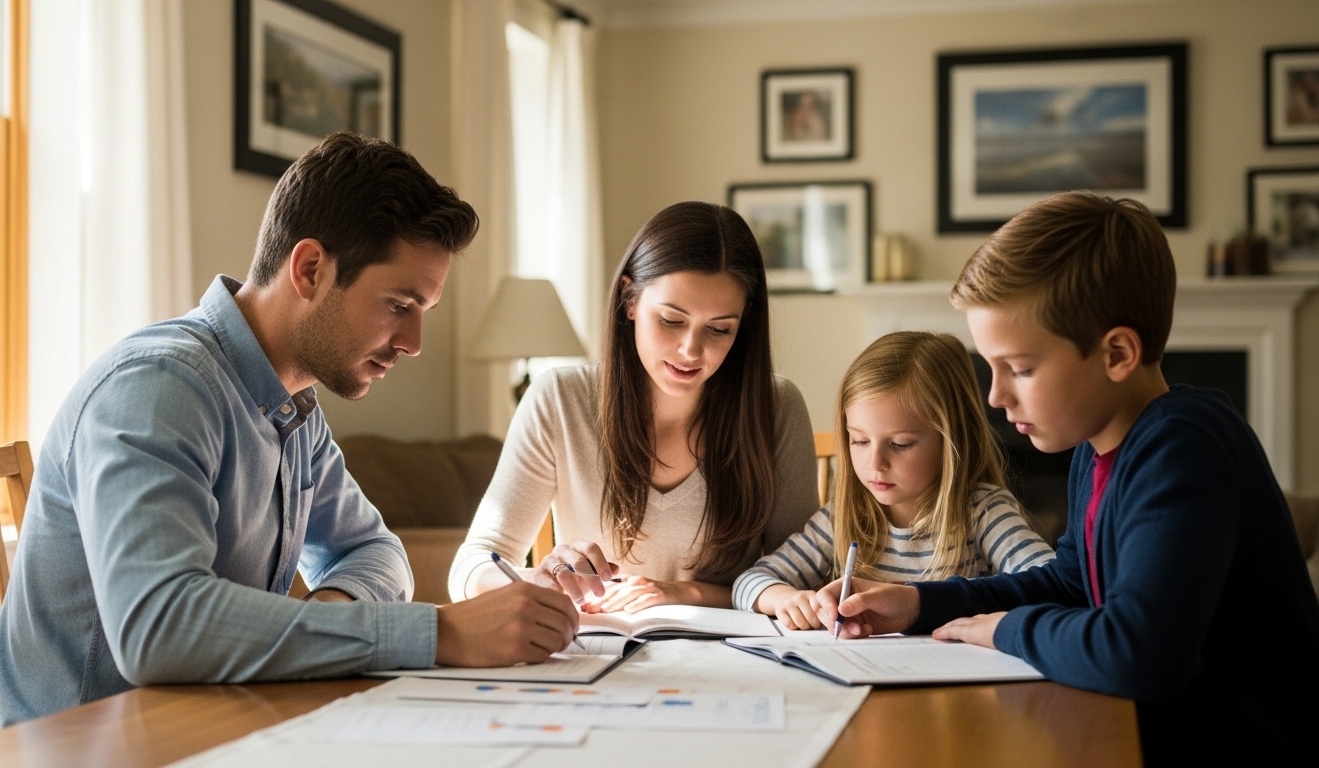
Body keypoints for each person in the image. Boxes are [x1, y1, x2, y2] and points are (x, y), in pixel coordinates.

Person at [0, 133, 581, 728]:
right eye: (400, 305)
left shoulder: (293, 407)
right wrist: (436, 633)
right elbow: (158, 626)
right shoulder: (158, 389)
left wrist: (330, 623)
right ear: (310, 269)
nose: (413, 344)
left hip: (218, 733)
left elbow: (376, 552)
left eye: (421, 313)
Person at [818, 192, 1319, 759]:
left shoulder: (1184, 446)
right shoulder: (1098, 446)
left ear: (1117, 354)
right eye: (991, 368)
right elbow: (1070, 583)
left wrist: (1005, 629)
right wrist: (916, 603)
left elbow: (1139, 656)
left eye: (1021, 369)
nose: (996, 395)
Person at [449, 201, 820, 613]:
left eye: (719, 329)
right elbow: (473, 563)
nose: (691, 350)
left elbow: (802, 576)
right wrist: (534, 580)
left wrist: (684, 593)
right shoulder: (559, 399)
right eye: (671, 320)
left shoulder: (778, 407)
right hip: (607, 655)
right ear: (630, 299)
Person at [733, 331, 1053, 629]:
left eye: (900, 444)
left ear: (953, 439)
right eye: (859, 441)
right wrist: (785, 598)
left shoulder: (983, 511)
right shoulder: (843, 518)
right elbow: (750, 581)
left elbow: (1051, 583)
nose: (876, 463)